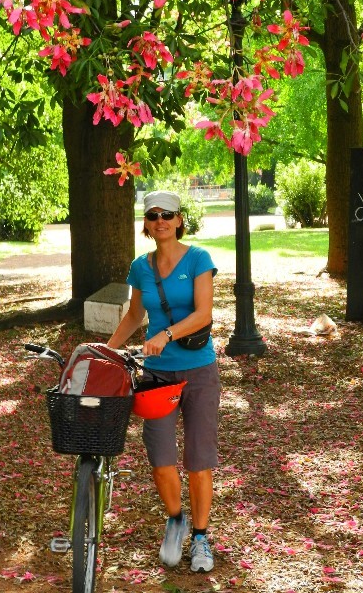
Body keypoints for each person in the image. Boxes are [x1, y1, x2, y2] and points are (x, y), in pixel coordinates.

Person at [107, 190, 220, 573]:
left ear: (179, 220)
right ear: (147, 223)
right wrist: (106, 351)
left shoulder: (199, 259)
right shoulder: (141, 267)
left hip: (199, 372)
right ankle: (176, 520)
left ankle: (201, 539)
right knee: (160, 459)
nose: (161, 221)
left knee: (198, 460)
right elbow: (135, 314)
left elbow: (204, 313)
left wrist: (166, 335)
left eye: (167, 215)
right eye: (153, 215)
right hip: (157, 376)